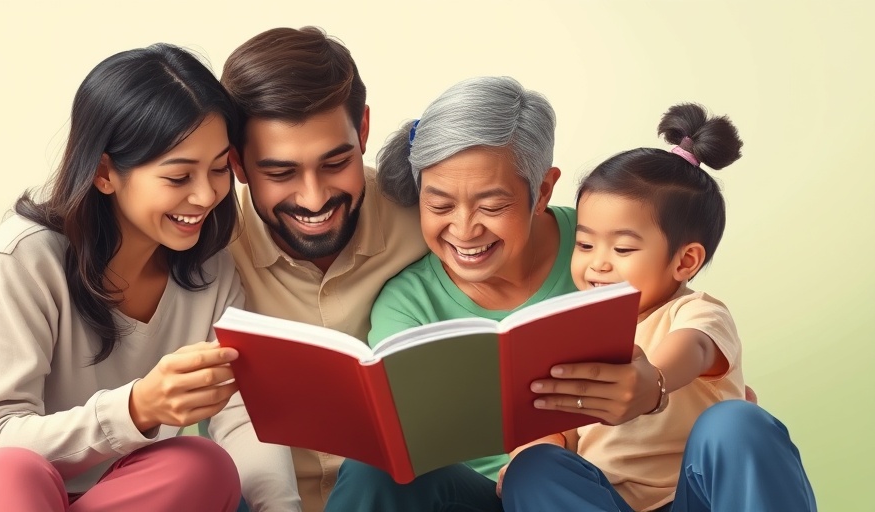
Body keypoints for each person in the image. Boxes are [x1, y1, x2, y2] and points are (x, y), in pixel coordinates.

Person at [0, 43, 245, 512]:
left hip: (100, 496)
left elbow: (242, 415)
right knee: (18, 472)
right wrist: (136, 408)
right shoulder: (22, 258)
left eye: (219, 169)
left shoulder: (213, 275)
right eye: (179, 177)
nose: (205, 195)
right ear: (104, 173)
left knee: (202, 464)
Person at [499, 103, 817, 511]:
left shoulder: (696, 312)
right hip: (606, 501)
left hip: (694, 499)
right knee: (535, 467)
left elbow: (694, 348)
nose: (598, 262)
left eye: (624, 247)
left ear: (685, 261)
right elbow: (558, 429)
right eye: (584, 244)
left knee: (737, 424)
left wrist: (655, 381)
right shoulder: (574, 332)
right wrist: (529, 453)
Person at [324, 76, 574, 511]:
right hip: (473, 498)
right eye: (438, 206)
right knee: (374, 465)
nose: (463, 230)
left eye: (492, 207)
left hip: (586, 488)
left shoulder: (601, 251)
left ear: (542, 192)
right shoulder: (407, 303)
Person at [205, 27, 428, 512]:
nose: (314, 198)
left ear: (363, 131)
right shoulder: (206, 249)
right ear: (237, 164)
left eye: (335, 162)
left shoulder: (427, 221)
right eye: (281, 173)